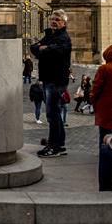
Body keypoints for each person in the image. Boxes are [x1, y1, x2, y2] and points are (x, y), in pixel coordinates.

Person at [30, 9, 72, 158]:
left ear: (64, 23)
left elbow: (52, 52)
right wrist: (43, 48)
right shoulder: (49, 35)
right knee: (55, 114)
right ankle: (59, 144)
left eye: (58, 19)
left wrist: (44, 49)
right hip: (49, 79)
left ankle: (54, 146)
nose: (54, 21)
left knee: (52, 115)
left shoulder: (63, 38)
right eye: (53, 18)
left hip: (56, 80)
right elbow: (34, 48)